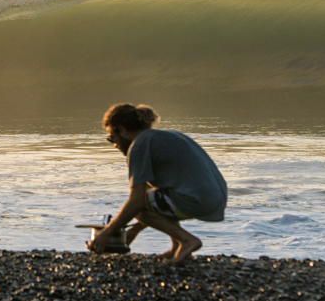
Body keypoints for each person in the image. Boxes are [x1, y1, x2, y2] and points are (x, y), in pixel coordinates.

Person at [87, 103, 226, 263]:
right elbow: (160, 195)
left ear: (121, 130)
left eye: (112, 138)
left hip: (196, 199)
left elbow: (137, 202)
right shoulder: (166, 136)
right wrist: (135, 229)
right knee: (155, 195)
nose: (115, 145)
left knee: (139, 205)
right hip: (214, 198)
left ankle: (187, 240)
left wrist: (108, 233)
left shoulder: (139, 146)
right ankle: (177, 247)